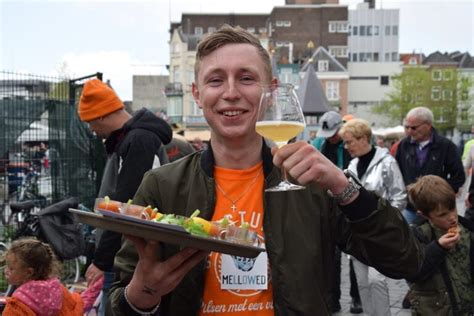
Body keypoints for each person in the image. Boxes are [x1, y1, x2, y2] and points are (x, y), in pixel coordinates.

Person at [106, 25, 423, 316]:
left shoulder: (312, 184)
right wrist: (144, 294)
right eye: (216, 80)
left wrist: (345, 187)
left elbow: (404, 261)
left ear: (270, 90)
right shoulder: (162, 186)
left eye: (246, 78)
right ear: (197, 94)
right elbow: (121, 301)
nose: (231, 92)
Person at [77, 78, 172, 315]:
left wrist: (102, 260)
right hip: (128, 253)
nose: (91, 130)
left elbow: (126, 206)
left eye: (90, 122)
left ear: (100, 115)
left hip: (130, 257)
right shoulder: (131, 139)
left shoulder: (138, 140)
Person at [339, 118, 407, 316]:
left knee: (377, 280)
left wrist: (385, 223)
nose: (346, 146)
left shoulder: (387, 162)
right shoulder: (352, 164)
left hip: (379, 233)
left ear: (364, 138)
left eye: (349, 141)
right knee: (362, 283)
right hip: (357, 232)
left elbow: (400, 196)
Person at [312, 110, 362, 313]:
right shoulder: (318, 145)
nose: (331, 138)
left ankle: (356, 299)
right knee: (331, 256)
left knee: (355, 254)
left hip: (350, 201)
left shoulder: (351, 145)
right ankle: (332, 300)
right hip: (327, 204)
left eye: (334, 133)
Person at [406, 175, 474, 315]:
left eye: (453, 208)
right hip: (438, 310)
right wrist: (439, 247)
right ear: (424, 215)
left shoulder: (468, 229)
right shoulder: (418, 235)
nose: (452, 217)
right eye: (442, 214)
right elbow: (413, 273)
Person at [395, 106, 465, 225]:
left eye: (413, 127)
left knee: (442, 240)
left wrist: (440, 193)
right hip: (411, 208)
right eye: (407, 127)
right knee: (408, 241)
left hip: (438, 210)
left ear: (428, 125)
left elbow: (458, 177)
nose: (409, 131)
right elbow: (397, 174)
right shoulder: (404, 145)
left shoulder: (446, 146)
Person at [2, 238, 83, 315]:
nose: (6, 270)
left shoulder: (16, 306)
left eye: (11, 268)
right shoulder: (61, 292)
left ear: (29, 272)